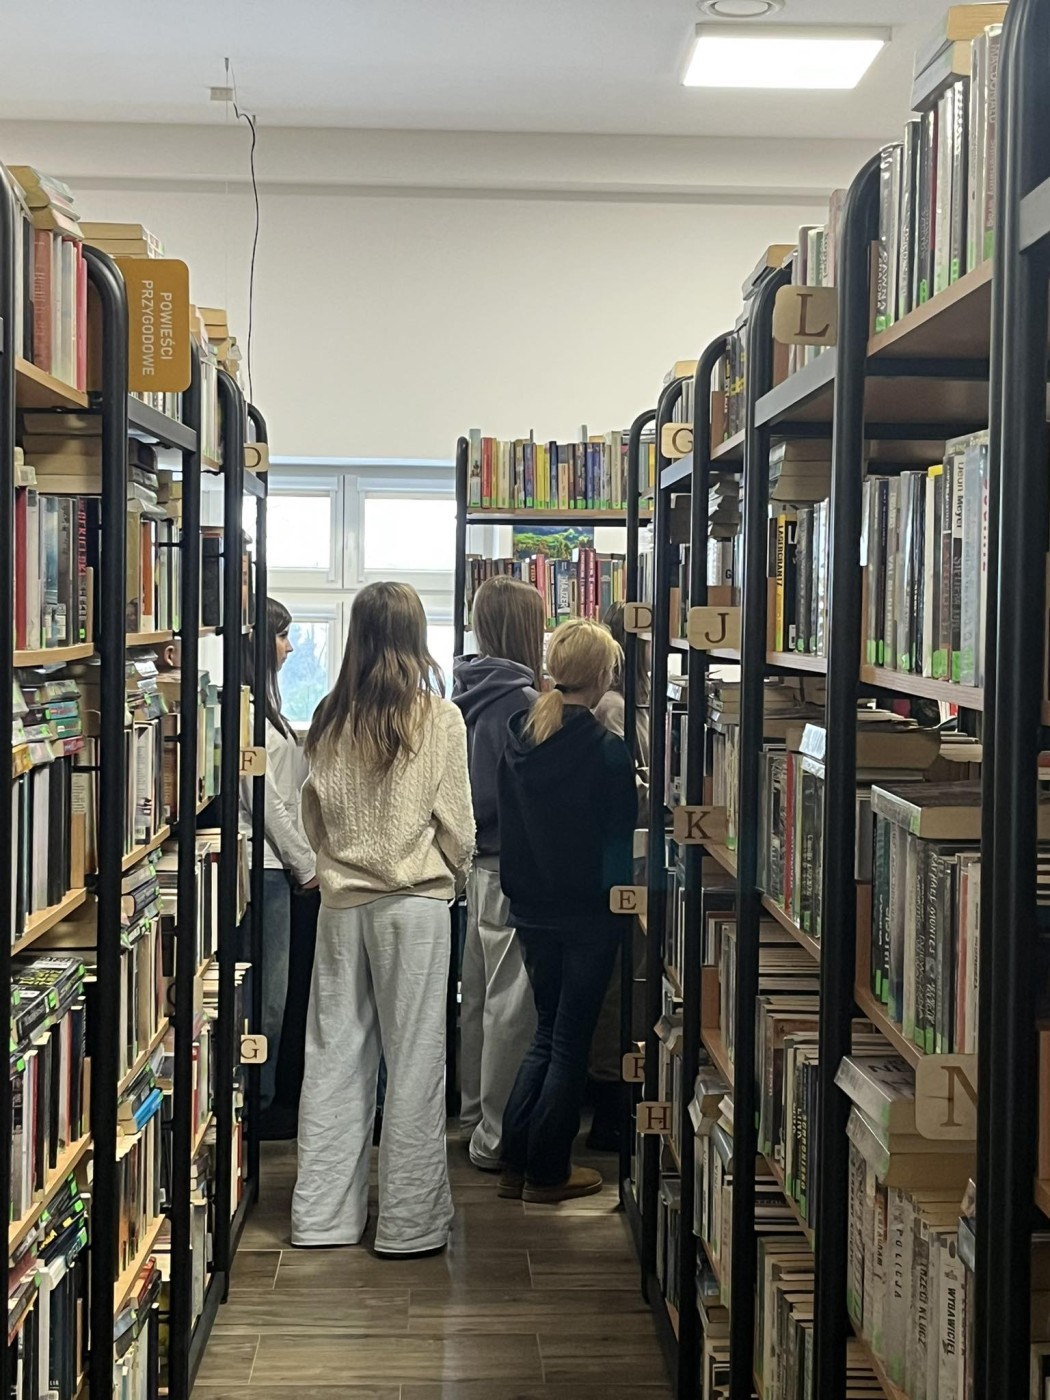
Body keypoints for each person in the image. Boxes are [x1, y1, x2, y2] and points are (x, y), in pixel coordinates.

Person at [291, 582, 475, 1255]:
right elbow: (459, 825)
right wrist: (452, 873)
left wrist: (341, 861)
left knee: (334, 1057)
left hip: (342, 906)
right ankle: (408, 1223)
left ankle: (322, 1218)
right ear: (414, 636)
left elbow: (312, 814)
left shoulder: (327, 717)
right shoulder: (440, 718)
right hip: (416, 904)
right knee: (416, 1060)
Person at [496, 618, 637, 1203]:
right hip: (588, 916)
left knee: (547, 1033)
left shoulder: (519, 737)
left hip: (530, 909)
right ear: (602, 675)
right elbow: (618, 839)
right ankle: (548, 1172)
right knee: (571, 1042)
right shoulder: (606, 750)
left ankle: (515, 1160)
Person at [452, 575, 544, 1171]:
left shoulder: (464, 690)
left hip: (473, 865)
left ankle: (471, 1118)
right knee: (511, 1007)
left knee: (477, 1000)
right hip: (513, 866)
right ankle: (496, 1137)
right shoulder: (524, 702)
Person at [238, 599, 317, 1136]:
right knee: (266, 996)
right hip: (266, 868)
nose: (288, 647)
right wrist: (304, 863)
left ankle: (261, 1097)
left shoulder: (264, 706)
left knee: (274, 993)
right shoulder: (248, 714)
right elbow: (264, 800)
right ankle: (257, 1104)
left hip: (275, 866)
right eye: (282, 636)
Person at [586, 600, 651, 1153]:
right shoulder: (613, 708)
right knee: (618, 983)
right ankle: (610, 1102)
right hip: (622, 863)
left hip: (639, 860)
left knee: (631, 978)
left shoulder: (637, 702)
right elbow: (622, 793)